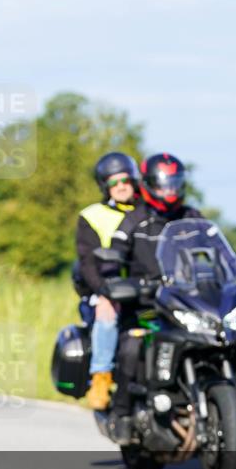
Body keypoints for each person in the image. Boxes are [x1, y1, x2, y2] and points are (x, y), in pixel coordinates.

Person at [103, 153, 202, 443]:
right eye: (163, 184)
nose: (169, 190)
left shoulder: (192, 217)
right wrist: (115, 279)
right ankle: (122, 414)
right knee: (131, 346)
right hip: (146, 307)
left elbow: (217, 249)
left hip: (187, 303)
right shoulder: (135, 219)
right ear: (148, 185)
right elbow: (113, 256)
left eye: (174, 183)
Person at [74, 152, 139, 410]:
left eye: (125, 180)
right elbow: (87, 261)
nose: (121, 186)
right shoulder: (92, 216)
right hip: (110, 288)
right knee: (107, 309)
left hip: (148, 286)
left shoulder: (149, 211)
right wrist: (103, 289)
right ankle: (101, 377)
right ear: (105, 186)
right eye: (114, 182)